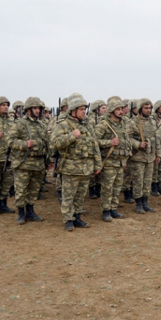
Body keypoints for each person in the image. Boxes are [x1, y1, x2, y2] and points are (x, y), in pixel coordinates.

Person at [51, 94, 101, 231]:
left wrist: (97, 164)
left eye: (85, 109)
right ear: (73, 110)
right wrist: (72, 136)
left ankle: (77, 216)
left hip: (86, 168)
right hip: (70, 168)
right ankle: (68, 219)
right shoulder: (63, 124)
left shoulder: (88, 124)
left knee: (80, 195)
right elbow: (55, 143)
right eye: (81, 109)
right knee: (68, 196)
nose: (84, 112)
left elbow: (94, 145)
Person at [7, 96, 49, 224]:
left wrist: (48, 158)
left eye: (39, 108)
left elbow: (47, 142)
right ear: (28, 110)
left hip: (38, 163)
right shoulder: (19, 124)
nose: (37, 111)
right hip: (23, 163)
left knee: (34, 189)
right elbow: (10, 141)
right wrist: (25, 144)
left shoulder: (41, 125)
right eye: (35, 108)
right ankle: (21, 213)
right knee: (21, 190)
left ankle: (30, 211)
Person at [94, 97, 131, 222]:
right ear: (111, 111)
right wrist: (109, 142)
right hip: (109, 161)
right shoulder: (103, 125)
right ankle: (106, 210)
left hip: (120, 161)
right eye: (118, 109)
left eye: (121, 109)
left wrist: (125, 160)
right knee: (107, 187)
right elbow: (94, 142)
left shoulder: (123, 124)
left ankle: (113, 208)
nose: (121, 111)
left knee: (117, 187)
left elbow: (126, 142)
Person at [126, 98, 159, 214]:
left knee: (147, 181)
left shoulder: (153, 121)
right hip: (138, 157)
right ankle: (138, 203)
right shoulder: (133, 122)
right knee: (138, 181)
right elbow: (127, 138)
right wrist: (137, 144)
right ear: (140, 108)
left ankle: (145, 202)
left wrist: (158, 154)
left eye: (150, 108)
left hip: (150, 156)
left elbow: (157, 138)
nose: (148, 110)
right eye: (146, 108)